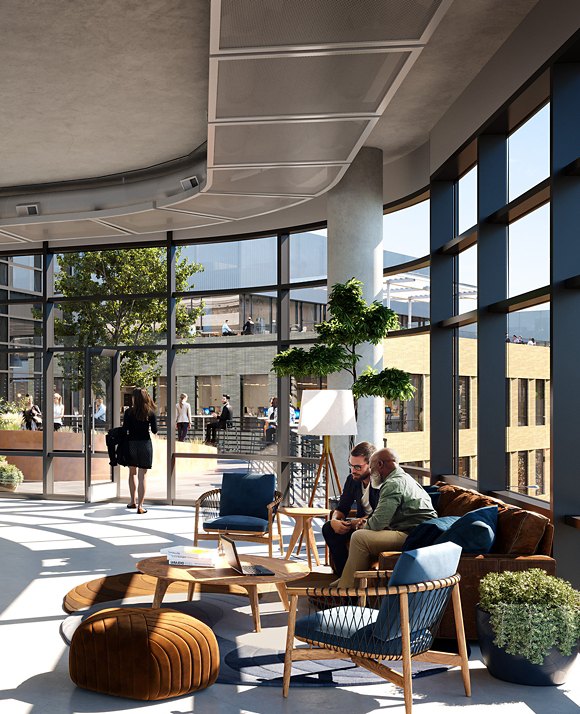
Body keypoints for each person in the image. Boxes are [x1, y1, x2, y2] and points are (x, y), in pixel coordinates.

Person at [332, 447, 437, 588]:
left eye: (372, 467)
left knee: (359, 538)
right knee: (360, 535)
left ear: (380, 465)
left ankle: (345, 590)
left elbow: (377, 523)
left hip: (413, 535)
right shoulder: (404, 478)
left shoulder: (392, 484)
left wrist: (360, 524)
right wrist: (366, 521)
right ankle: (347, 580)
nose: (371, 471)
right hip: (416, 531)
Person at [321, 441, 380, 577]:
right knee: (328, 528)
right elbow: (342, 507)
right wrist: (335, 520)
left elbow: (381, 515)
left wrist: (355, 522)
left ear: (371, 465)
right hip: (359, 525)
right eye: (351, 466)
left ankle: (350, 583)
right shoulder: (352, 480)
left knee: (355, 534)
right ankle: (342, 577)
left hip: (376, 528)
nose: (353, 470)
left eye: (358, 467)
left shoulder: (381, 482)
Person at [123, 387, 158, 514]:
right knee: (142, 476)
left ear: (134, 398)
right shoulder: (150, 412)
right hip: (144, 444)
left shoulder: (128, 412)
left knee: (132, 473)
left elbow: (125, 428)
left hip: (131, 444)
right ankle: (140, 506)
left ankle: (133, 501)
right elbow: (154, 430)